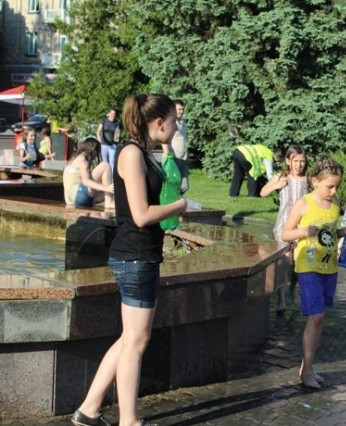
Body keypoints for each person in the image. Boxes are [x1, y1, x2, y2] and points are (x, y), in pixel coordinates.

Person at [72, 94, 187, 426]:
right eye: (174, 121)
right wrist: (180, 206)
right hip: (135, 257)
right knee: (136, 341)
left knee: (130, 338)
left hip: (139, 255)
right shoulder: (132, 153)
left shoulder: (142, 153)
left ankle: (88, 410)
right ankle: (129, 421)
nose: (177, 126)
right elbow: (141, 215)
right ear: (159, 122)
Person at [281, 157, 346, 389]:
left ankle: (307, 367)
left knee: (319, 319)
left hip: (329, 268)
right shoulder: (304, 204)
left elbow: (329, 233)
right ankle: (307, 371)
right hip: (308, 267)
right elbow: (285, 234)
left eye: (337, 187)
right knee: (316, 317)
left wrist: (345, 231)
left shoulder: (334, 205)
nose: (334, 191)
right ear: (315, 182)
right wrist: (303, 231)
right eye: (330, 186)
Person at [260, 144, 309, 315]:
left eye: (302, 161)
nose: (299, 165)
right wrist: (277, 185)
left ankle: (293, 288)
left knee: (297, 262)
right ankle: (281, 299)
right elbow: (263, 192)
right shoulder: (281, 176)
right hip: (283, 225)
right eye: (295, 161)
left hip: (301, 226)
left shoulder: (308, 179)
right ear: (288, 161)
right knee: (285, 262)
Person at [63, 137, 115, 209]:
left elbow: (66, 184)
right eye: (97, 151)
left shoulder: (72, 160)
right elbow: (86, 181)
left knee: (110, 193)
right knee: (105, 165)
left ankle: (110, 200)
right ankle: (109, 203)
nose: (96, 155)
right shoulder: (83, 160)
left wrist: (69, 202)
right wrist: (106, 188)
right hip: (81, 195)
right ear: (92, 149)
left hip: (75, 199)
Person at [161, 99, 189, 193]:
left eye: (183, 109)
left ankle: (176, 199)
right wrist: (168, 156)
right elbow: (164, 140)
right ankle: (171, 200)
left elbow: (183, 140)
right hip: (172, 159)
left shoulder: (183, 123)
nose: (181, 111)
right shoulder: (169, 122)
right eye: (179, 109)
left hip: (182, 159)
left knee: (184, 186)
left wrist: (187, 155)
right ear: (173, 109)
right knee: (170, 185)